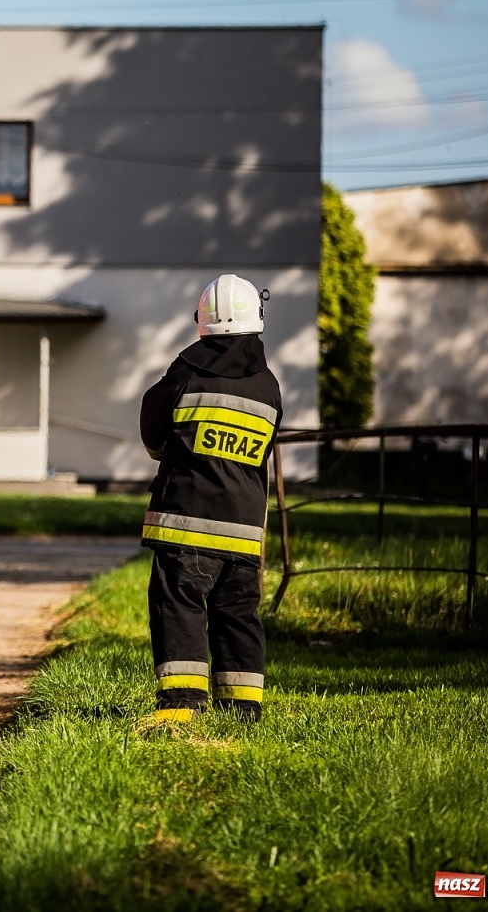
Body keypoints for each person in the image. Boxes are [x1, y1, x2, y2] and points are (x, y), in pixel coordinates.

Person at [138, 275, 282, 723]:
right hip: (242, 531)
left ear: (202, 321)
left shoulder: (184, 375)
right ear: (256, 319)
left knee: (179, 607)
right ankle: (242, 708)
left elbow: (154, 436)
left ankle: (182, 707)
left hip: (185, 524)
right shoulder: (269, 386)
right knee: (238, 614)